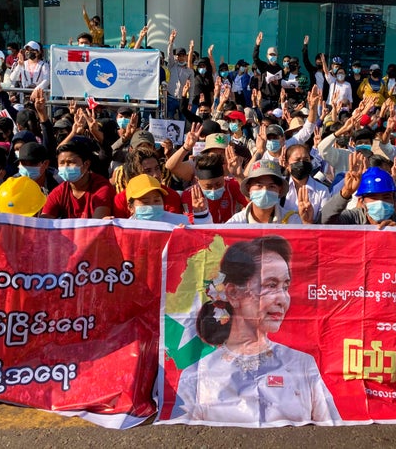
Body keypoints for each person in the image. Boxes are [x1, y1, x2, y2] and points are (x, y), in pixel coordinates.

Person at [172, 235, 341, 425]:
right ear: (234, 293)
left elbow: (332, 432)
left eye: (285, 286)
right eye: (271, 285)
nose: (282, 299)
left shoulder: (302, 365)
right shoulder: (198, 374)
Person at [322, 153, 396, 227]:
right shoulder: (354, 218)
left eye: (386, 197)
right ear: (362, 200)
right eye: (373, 198)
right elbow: (324, 220)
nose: (380, 202)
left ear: (393, 200)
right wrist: (346, 192)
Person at [40, 139, 114, 219]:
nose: (65, 167)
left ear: (86, 164)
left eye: (70, 162)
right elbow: (45, 221)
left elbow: (96, 225)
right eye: (62, 163)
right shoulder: (60, 191)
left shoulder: (102, 188)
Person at [227, 160, 311, 224]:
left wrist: (307, 223)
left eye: (271, 186)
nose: (265, 191)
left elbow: (307, 245)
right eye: (259, 185)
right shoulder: (236, 223)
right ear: (248, 188)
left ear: (280, 190)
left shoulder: (292, 220)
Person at [125, 173, 211, 224]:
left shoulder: (176, 222)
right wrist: (111, 228)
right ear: (130, 207)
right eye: (145, 202)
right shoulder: (123, 229)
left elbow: (204, 234)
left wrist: (201, 215)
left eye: (157, 200)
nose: (152, 206)